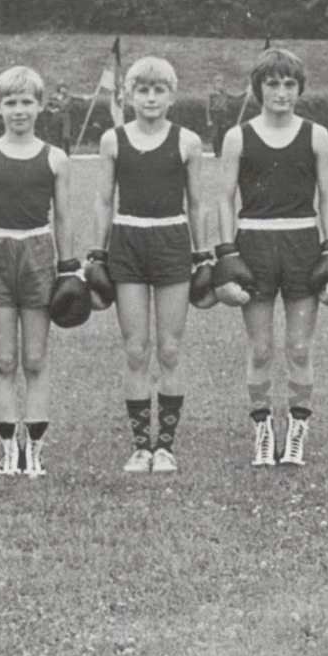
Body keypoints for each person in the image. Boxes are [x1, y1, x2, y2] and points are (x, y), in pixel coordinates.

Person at [215, 47, 328, 467]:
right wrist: (227, 252)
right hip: (255, 243)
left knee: (300, 348)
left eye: (289, 84)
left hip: (302, 243)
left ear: (299, 89)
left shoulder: (316, 135)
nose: (281, 92)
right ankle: (263, 431)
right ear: (259, 89)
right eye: (272, 84)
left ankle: (298, 431)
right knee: (261, 348)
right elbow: (223, 197)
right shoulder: (238, 136)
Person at [93, 57, 205, 473]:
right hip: (128, 242)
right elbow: (104, 201)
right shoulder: (113, 140)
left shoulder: (187, 141)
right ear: (129, 96)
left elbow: (197, 203)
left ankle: (165, 447)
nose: (151, 98)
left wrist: (203, 254)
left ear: (172, 96)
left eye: (159, 90)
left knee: (170, 349)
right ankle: (141, 446)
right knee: (136, 349)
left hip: (172, 241)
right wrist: (97, 253)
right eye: (143, 90)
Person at [0, 66, 70, 477]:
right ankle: (9, 448)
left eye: (26, 101)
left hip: (38, 253)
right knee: (4, 358)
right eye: (10, 102)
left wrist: (69, 268)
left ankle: (36, 449)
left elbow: (63, 217)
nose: (19, 110)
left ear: (40, 105)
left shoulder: (55, 158)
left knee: (35, 357)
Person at [46, 82, 74, 154]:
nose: (64, 89)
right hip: (56, 116)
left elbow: (80, 98)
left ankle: (66, 153)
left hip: (65, 116)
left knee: (66, 136)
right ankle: (58, 152)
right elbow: (48, 105)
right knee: (57, 136)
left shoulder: (69, 97)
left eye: (65, 88)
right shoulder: (54, 97)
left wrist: (90, 97)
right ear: (59, 88)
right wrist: (51, 110)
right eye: (62, 87)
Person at [207, 77, 232, 157]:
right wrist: (208, 119)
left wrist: (246, 92)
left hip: (223, 115)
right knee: (215, 135)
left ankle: (221, 151)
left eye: (220, 84)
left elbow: (236, 97)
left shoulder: (225, 93)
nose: (219, 85)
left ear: (222, 85)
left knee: (222, 134)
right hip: (215, 115)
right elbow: (207, 108)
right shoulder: (211, 95)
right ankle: (216, 152)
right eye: (217, 84)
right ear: (214, 85)